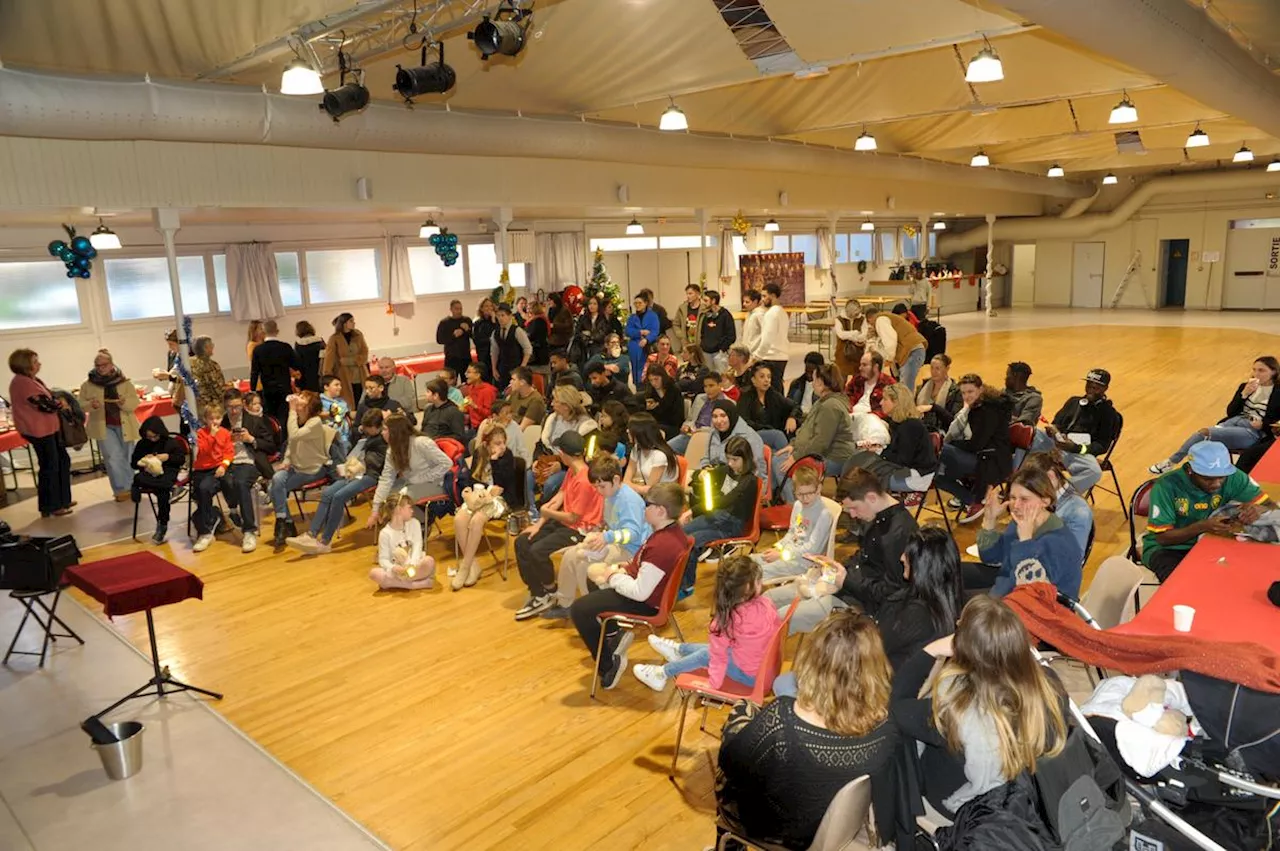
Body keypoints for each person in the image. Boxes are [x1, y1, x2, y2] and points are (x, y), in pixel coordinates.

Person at [715, 611, 898, 849]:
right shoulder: (887, 725)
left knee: (741, 717)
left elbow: (730, 763)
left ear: (813, 660)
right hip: (834, 828)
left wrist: (736, 719)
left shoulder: (783, 720)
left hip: (777, 829)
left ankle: (729, 845)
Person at [892, 596, 1067, 818]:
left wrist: (931, 649)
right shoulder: (1050, 684)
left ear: (963, 647)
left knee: (898, 737)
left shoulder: (953, 709)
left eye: (959, 626)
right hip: (1025, 794)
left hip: (963, 804)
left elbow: (896, 706)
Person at [766, 467, 917, 632]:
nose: (852, 515)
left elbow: (892, 593)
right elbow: (864, 557)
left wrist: (845, 580)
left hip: (859, 603)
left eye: (854, 508)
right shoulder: (874, 516)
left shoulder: (899, 533)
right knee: (769, 599)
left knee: (779, 618)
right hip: (845, 586)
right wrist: (835, 567)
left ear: (871, 498)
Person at [568, 481, 689, 689]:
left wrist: (613, 575)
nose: (644, 507)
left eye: (647, 504)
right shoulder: (668, 532)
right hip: (643, 588)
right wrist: (622, 568)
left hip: (645, 602)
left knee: (579, 610)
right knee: (592, 577)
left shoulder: (663, 545)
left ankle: (608, 665)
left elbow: (640, 592)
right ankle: (614, 635)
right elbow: (645, 566)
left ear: (660, 511)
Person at [635, 554, 776, 692]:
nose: (762, 583)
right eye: (758, 580)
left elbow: (718, 657)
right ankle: (679, 650)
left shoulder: (726, 621)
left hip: (751, 677)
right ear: (747, 588)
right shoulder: (766, 603)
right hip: (767, 669)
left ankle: (662, 674)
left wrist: (713, 684)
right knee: (717, 648)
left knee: (707, 654)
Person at [1141, 440, 1270, 581]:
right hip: (1168, 549)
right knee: (1183, 584)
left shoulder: (1233, 476)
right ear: (1190, 470)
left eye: (1221, 477)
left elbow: (1267, 504)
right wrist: (1201, 527)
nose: (1216, 484)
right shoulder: (1166, 486)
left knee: (1246, 573)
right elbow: (1163, 538)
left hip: (1210, 541)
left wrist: (1257, 509)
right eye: (1207, 479)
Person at [541, 454, 650, 619]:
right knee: (571, 556)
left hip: (632, 551)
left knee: (583, 564)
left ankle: (591, 610)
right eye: (596, 487)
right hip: (616, 544)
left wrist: (607, 537)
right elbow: (612, 523)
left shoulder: (629, 500)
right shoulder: (609, 494)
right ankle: (565, 604)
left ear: (616, 479)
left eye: (601, 487)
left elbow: (633, 534)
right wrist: (601, 529)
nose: (598, 491)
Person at [513, 431, 605, 619]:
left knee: (537, 551)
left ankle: (550, 591)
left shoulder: (585, 480)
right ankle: (539, 593)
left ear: (564, 453)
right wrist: (539, 523)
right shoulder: (572, 471)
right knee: (522, 542)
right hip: (563, 522)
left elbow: (573, 517)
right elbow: (559, 498)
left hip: (580, 530)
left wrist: (547, 513)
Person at [967, 466, 1084, 599]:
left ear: (1045, 501)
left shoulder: (1057, 542)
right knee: (946, 577)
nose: (1015, 505)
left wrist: (1025, 541)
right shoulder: (1020, 522)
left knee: (949, 601)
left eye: (1024, 499)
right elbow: (991, 557)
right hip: (1008, 590)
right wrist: (989, 521)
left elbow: (1034, 593)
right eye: (1012, 497)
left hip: (1037, 609)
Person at [1150, 356, 1280, 474]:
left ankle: (1171, 462)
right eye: (1254, 370)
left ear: (1273, 372)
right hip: (1234, 421)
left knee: (1204, 434)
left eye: (1261, 370)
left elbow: (1276, 421)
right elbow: (1231, 412)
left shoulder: (1278, 392)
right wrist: (1244, 394)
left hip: (1253, 430)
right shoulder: (1245, 386)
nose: (1256, 374)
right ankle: (1196, 473)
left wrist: (1263, 425)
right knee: (1203, 441)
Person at [287, 409, 386, 556]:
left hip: (372, 475)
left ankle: (325, 542)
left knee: (339, 496)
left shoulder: (384, 440)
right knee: (327, 493)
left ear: (378, 426)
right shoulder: (369, 437)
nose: (365, 430)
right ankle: (311, 535)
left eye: (368, 428)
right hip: (358, 472)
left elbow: (380, 466)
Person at [680, 436, 758, 595]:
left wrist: (692, 510)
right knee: (680, 534)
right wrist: (702, 474)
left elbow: (723, 501)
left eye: (735, 460)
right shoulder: (729, 470)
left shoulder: (749, 481)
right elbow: (711, 473)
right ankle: (675, 579)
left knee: (691, 542)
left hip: (731, 526)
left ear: (746, 458)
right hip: (716, 516)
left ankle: (686, 585)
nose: (730, 463)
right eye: (728, 459)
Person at [452, 421, 525, 590]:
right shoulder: (479, 453)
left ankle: (464, 568)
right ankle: (473, 565)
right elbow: (472, 479)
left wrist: (495, 461)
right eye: (497, 443)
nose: (502, 446)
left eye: (503, 442)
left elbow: (504, 483)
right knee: (459, 519)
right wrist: (476, 492)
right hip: (482, 495)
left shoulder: (506, 456)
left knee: (477, 521)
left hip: (501, 499)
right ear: (486, 443)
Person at [936, 373, 1013, 524]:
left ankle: (978, 499)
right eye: (963, 393)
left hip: (993, 461)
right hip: (982, 456)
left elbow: (977, 444)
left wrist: (953, 445)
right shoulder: (977, 408)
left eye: (970, 391)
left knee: (942, 449)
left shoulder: (989, 410)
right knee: (939, 478)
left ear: (980, 389)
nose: (966, 396)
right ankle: (973, 500)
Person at [1028, 367, 1118, 494]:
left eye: (1096, 387)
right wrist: (1053, 431)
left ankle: (1056, 496)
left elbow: (1102, 446)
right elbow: (1057, 423)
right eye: (1088, 385)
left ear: (1105, 389)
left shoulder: (1108, 413)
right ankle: (1014, 482)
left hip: (1079, 452)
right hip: (1057, 445)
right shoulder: (1073, 402)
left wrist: (1076, 447)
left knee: (1094, 472)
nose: (1090, 389)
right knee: (1031, 433)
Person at [773, 363, 856, 501]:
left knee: (781, 466)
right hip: (819, 452)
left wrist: (796, 457)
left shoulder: (830, 406)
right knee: (776, 459)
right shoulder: (823, 402)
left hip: (833, 457)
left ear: (821, 382)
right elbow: (806, 430)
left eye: (814, 379)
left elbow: (820, 443)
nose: (812, 383)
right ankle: (778, 502)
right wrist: (793, 445)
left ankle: (796, 508)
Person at [8, 349, 72, 518]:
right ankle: (51, 505)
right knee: (50, 466)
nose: (39, 364)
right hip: (38, 431)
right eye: (35, 361)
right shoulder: (23, 382)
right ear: (25, 364)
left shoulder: (30, 380)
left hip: (47, 429)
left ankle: (62, 499)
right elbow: (43, 404)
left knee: (61, 461)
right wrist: (60, 404)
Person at [268, 392, 336, 548]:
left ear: (310, 406)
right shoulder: (299, 420)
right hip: (296, 467)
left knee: (274, 488)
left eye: (303, 398)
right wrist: (286, 460)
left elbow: (294, 435)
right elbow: (292, 443)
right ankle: (285, 521)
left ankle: (285, 524)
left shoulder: (315, 422)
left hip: (313, 469)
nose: (298, 399)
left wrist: (291, 411)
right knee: (276, 481)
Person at [842, 383, 937, 494]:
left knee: (864, 479)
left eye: (885, 399)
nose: (881, 402)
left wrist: (880, 450)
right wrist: (879, 448)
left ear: (896, 403)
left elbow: (903, 460)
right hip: (907, 469)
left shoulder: (911, 426)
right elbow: (897, 452)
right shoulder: (898, 423)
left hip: (917, 476)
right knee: (861, 468)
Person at [365, 413, 451, 527]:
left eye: (385, 429)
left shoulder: (421, 443)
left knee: (399, 501)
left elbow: (447, 464)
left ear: (395, 432)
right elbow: (386, 479)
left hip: (436, 483)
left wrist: (420, 478)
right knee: (388, 500)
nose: (382, 432)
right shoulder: (392, 450)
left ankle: (421, 523)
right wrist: (375, 510)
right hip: (412, 483)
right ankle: (417, 521)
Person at [752, 465, 832, 582]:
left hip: (805, 563)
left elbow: (812, 549)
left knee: (757, 572)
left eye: (809, 493)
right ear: (794, 491)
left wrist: (782, 554)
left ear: (819, 488)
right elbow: (791, 533)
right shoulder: (798, 505)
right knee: (750, 561)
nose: (805, 498)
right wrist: (778, 548)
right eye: (799, 494)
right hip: (788, 554)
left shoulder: (824, 514)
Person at [220, 388, 277, 552]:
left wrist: (251, 439)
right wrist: (226, 441)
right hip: (227, 461)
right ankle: (232, 510)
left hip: (250, 461)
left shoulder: (254, 421)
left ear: (243, 404)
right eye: (230, 407)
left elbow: (271, 446)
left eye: (237, 406)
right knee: (219, 479)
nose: (234, 410)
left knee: (240, 482)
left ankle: (249, 530)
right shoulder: (222, 422)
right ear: (225, 406)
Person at [80, 348, 139, 502]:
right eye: (97, 365)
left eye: (104, 365)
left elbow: (134, 402)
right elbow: (80, 404)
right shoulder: (88, 384)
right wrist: (91, 405)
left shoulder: (124, 382)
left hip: (124, 423)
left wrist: (124, 402)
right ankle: (121, 490)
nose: (100, 368)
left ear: (111, 364)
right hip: (103, 425)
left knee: (128, 456)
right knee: (113, 457)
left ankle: (133, 485)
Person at [528, 384, 598, 510]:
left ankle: (546, 509)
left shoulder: (587, 426)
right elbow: (540, 444)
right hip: (548, 459)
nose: (552, 404)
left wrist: (561, 465)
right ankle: (532, 510)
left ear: (566, 406)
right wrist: (537, 460)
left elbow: (586, 457)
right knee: (528, 476)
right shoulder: (551, 419)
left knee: (551, 483)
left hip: (568, 467)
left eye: (556, 401)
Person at [1018, 451, 1093, 555]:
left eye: (1035, 485)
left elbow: (1073, 559)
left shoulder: (1078, 511)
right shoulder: (1039, 498)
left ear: (1051, 476)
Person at [131, 415, 187, 544]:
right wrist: (145, 460)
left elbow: (181, 459)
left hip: (168, 472)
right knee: (140, 478)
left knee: (162, 493)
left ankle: (162, 525)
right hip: (150, 473)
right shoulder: (142, 443)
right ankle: (172, 488)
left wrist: (167, 457)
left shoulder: (171, 442)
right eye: (149, 437)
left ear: (160, 433)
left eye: (154, 436)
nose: (152, 439)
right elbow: (133, 463)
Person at [368, 490, 437, 591]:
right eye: (409, 508)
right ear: (399, 510)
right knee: (374, 573)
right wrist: (394, 568)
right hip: (397, 570)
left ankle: (394, 584)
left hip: (414, 566)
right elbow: (383, 559)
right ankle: (417, 584)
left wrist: (411, 564)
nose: (412, 511)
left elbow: (418, 546)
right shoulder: (385, 533)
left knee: (429, 561)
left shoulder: (415, 523)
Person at [191, 402, 235, 552]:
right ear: (205, 419)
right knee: (198, 493)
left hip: (216, 468)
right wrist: (211, 436)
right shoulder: (200, 434)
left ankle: (206, 530)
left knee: (205, 489)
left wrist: (223, 465)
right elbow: (202, 452)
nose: (215, 422)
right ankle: (210, 522)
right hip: (201, 469)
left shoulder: (225, 433)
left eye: (217, 418)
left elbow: (229, 453)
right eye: (211, 418)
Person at [701, 398, 767, 488]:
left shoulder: (749, 436)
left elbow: (757, 469)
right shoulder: (713, 433)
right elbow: (706, 457)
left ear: (731, 415)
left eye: (723, 416)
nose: (719, 421)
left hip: (739, 482)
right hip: (716, 478)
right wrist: (705, 469)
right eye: (715, 416)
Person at [863, 304, 927, 394]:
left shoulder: (880, 320)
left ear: (869, 319)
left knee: (905, 389)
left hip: (912, 351)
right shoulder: (885, 318)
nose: (871, 327)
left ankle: (907, 407)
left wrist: (888, 359)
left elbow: (890, 341)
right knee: (904, 387)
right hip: (913, 350)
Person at [249, 319, 298, 428]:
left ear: (263, 332)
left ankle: (274, 439)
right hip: (284, 387)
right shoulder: (286, 347)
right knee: (285, 416)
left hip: (268, 389)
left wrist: (252, 389)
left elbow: (254, 372)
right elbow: (296, 365)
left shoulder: (258, 350)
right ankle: (285, 440)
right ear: (277, 331)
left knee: (270, 417)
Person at [739, 362, 798, 452]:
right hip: (753, 435)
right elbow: (745, 422)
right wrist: (766, 428)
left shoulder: (772, 394)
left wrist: (792, 417)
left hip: (774, 435)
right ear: (753, 380)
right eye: (762, 377)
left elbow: (794, 405)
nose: (766, 380)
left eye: (769, 377)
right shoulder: (745, 396)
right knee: (777, 436)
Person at [668, 372, 728, 454]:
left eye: (711, 386)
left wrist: (702, 431)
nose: (708, 390)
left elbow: (723, 430)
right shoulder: (700, 398)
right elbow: (690, 419)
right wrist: (686, 426)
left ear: (720, 385)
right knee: (667, 448)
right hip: (690, 435)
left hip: (710, 439)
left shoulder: (728, 403)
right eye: (705, 386)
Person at [623, 412, 679, 497]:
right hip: (646, 495)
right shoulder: (636, 449)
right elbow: (626, 481)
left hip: (663, 498)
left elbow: (650, 490)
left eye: (630, 429)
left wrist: (634, 486)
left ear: (640, 434)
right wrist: (639, 488)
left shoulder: (660, 456)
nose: (627, 431)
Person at [322, 313, 369, 407]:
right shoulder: (334, 339)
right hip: (343, 375)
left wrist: (349, 361)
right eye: (351, 321)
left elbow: (365, 353)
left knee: (361, 397)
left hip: (359, 373)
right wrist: (327, 376)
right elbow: (329, 358)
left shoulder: (358, 335)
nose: (354, 323)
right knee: (347, 400)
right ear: (344, 323)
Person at [753, 283, 790, 393]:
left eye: (764, 296)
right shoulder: (782, 311)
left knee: (772, 391)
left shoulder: (772, 313)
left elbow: (767, 339)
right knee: (776, 388)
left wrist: (756, 356)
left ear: (773, 296)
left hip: (772, 356)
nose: (762, 300)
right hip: (781, 355)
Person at [915, 354, 963, 433]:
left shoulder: (956, 391)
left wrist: (933, 408)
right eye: (932, 368)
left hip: (943, 432)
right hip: (921, 429)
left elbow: (953, 421)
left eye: (938, 368)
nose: (934, 372)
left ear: (947, 369)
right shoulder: (921, 387)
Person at [490, 304, 533, 390]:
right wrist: (494, 368)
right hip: (502, 367)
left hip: (516, 365)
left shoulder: (517, 331)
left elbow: (528, 349)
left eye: (503, 315)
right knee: (503, 391)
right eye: (498, 315)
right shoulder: (495, 333)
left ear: (510, 316)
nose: (500, 318)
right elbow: (494, 352)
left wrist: (522, 366)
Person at [624, 292, 661, 384]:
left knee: (649, 369)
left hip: (648, 347)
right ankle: (638, 387)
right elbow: (628, 331)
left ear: (645, 303)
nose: (637, 305)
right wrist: (640, 332)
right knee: (636, 371)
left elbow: (655, 331)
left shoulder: (653, 316)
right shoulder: (632, 318)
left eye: (640, 303)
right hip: (634, 347)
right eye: (635, 303)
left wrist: (647, 339)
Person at [846, 349, 895, 416]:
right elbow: (846, 395)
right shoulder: (857, 379)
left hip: (874, 420)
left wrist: (867, 416)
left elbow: (890, 409)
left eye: (864, 365)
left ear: (875, 367)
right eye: (860, 364)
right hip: (851, 416)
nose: (860, 368)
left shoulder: (888, 383)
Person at [189, 335, 228, 418]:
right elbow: (218, 388)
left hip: (196, 406)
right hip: (213, 408)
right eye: (211, 345)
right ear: (205, 348)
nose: (213, 347)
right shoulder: (211, 365)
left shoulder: (189, 364)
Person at [698, 289, 736, 372]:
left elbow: (732, 336)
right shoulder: (706, 315)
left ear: (714, 301)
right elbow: (702, 333)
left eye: (706, 300)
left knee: (721, 378)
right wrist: (703, 345)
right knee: (709, 378)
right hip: (706, 352)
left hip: (719, 353)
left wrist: (722, 349)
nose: (703, 303)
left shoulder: (725, 315)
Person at [641, 367, 684, 439]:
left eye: (656, 379)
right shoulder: (650, 392)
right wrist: (648, 408)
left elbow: (678, 417)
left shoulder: (674, 390)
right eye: (651, 380)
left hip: (673, 426)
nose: (654, 383)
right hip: (656, 424)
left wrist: (658, 406)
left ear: (663, 377)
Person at [418, 377, 466, 442]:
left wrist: (437, 439)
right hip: (426, 443)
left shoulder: (454, 412)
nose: (425, 394)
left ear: (435, 395)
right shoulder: (428, 409)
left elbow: (459, 436)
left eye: (428, 392)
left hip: (442, 446)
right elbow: (423, 429)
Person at [319, 374, 352, 463]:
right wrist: (329, 414)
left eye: (340, 385)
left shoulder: (341, 401)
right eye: (336, 385)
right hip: (330, 438)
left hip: (345, 436)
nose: (340, 387)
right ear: (326, 386)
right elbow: (315, 414)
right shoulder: (319, 401)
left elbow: (349, 414)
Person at [459, 363, 496, 442]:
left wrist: (474, 406)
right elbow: (469, 409)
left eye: (469, 372)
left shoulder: (488, 391)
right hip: (473, 427)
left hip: (485, 428)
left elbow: (490, 413)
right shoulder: (470, 388)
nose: (465, 374)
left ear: (478, 375)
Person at [1003, 361, 1043, 426]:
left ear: (1016, 377)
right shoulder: (1003, 392)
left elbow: (1023, 423)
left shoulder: (1034, 398)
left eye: (1008, 375)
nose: (1005, 378)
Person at [786, 351, 824, 418]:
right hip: (797, 417)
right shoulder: (796, 384)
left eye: (812, 372)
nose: (809, 375)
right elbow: (788, 405)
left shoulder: (825, 387)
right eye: (807, 371)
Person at [574, 295, 609, 363]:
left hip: (599, 348)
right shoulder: (583, 318)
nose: (592, 306)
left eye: (594, 304)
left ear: (598, 305)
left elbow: (602, 333)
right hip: (584, 348)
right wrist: (585, 337)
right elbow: (577, 332)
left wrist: (590, 335)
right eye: (590, 303)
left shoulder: (603, 318)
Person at [294, 321, 326, 393]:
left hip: (305, 377)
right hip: (319, 374)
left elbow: (298, 364)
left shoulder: (298, 344)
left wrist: (297, 382)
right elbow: (324, 358)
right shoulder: (320, 341)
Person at [471, 298, 498, 383]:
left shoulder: (497, 321)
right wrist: (490, 339)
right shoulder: (477, 323)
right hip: (484, 354)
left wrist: (494, 320)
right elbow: (477, 340)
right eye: (486, 306)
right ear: (481, 308)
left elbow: (498, 336)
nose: (489, 308)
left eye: (490, 306)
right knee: (486, 377)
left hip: (496, 354)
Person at [739, 289, 766, 363]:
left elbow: (766, 335)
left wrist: (758, 354)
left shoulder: (760, 314)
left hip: (755, 354)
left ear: (755, 302)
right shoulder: (749, 314)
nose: (744, 304)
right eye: (743, 301)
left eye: (747, 302)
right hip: (747, 353)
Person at [525, 301, 551, 368]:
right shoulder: (539, 319)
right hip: (540, 349)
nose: (527, 310)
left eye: (529, 308)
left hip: (538, 351)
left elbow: (532, 334)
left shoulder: (538, 320)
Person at [245, 320, 265, 385]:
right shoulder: (252, 345)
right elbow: (254, 361)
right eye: (260, 329)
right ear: (254, 331)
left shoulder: (264, 342)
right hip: (259, 377)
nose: (263, 331)